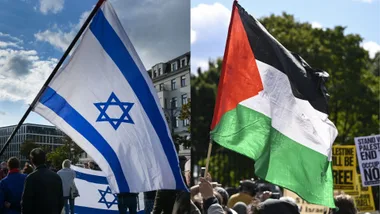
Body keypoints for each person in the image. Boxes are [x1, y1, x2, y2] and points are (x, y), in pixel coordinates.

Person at [21, 148, 64, 214]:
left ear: (32, 160)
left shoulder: (31, 178)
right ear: (45, 159)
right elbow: (61, 201)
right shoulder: (56, 177)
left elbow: (26, 203)